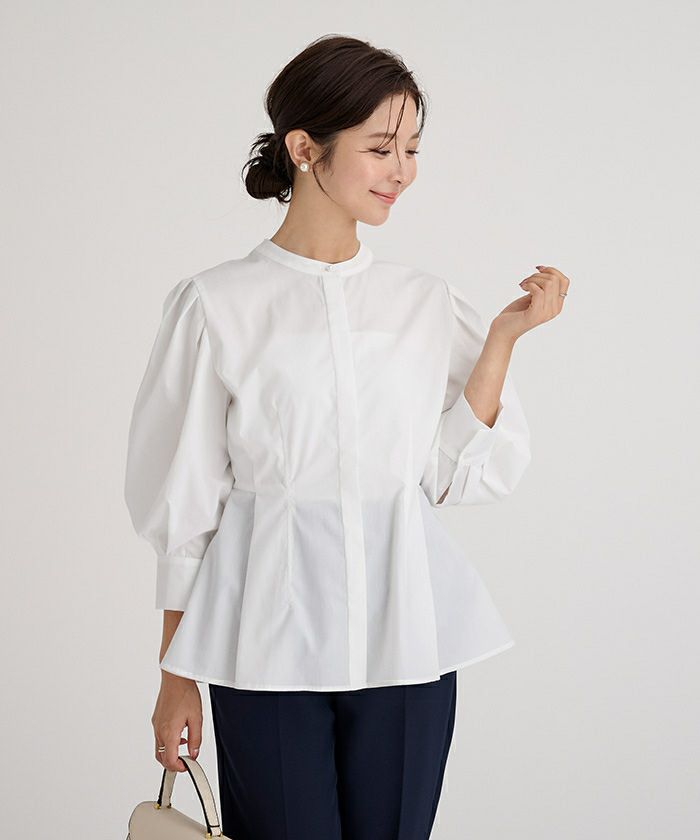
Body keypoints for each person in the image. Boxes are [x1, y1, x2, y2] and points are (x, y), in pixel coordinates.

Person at [124, 33, 569, 840]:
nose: (403, 170)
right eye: (380, 146)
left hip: (408, 645)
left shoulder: (425, 304)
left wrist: (501, 342)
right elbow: (185, 508)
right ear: (305, 149)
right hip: (263, 648)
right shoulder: (216, 306)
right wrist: (176, 675)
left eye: (412, 148)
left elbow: (451, 476)